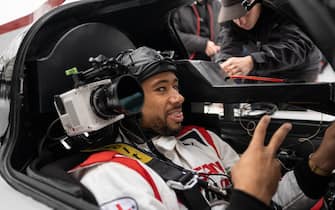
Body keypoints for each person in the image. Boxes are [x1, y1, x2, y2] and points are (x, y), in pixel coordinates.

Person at [69, 46, 334, 210]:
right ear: (126, 105)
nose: (178, 97)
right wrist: (249, 200)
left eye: (176, 86)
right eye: (161, 89)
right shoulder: (112, 174)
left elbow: (272, 200)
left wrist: (320, 163)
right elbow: (254, 197)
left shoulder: (203, 139)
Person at [213, 0, 323, 82]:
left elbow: (296, 47)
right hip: (263, 66)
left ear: (257, 3)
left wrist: (253, 61)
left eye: (244, 15)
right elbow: (228, 45)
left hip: (299, 70)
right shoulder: (234, 20)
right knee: (259, 107)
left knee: (291, 108)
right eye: (234, 16)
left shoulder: (285, 9)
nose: (240, 22)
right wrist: (223, 65)